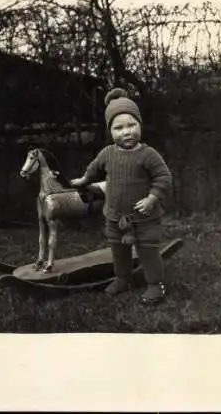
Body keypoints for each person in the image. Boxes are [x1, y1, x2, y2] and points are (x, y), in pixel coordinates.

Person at [71, 87, 172, 304]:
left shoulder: (148, 154)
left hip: (145, 217)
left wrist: (152, 198)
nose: (126, 132)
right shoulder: (107, 153)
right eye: (119, 128)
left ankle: (156, 284)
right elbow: (93, 168)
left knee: (148, 251)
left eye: (131, 125)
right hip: (115, 217)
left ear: (140, 125)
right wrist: (84, 180)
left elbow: (163, 177)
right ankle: (122, 278)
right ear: (111, 131)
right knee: (119, 250)